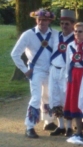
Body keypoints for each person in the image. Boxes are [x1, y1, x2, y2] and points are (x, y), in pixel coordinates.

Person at [11, 9, 57, 138]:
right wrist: (25, 70)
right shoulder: (28, 35)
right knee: (36, 97)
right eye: (39, 19)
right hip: (35, 71)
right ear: (36, 20)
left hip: (51, 71)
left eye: (45, 20)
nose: (42, 22)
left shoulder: (55, 34)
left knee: (49, 96)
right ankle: (29, 127)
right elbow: (15, 54)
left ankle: (48, 121)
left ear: (49, 21)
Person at [48, 9, 75, 137]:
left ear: (73, 25)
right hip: (54, 69)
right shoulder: (56, 36)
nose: (64, 26)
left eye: (67, 24)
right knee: (55, 97)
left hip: (66, 70)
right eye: (62, 23)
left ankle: (69, 126)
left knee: (67, 97)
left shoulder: (76, 38)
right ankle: (61, 125)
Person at [64, 22, 83, 141]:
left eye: (80, 31)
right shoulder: (70, 45)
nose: (77, 34)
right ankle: (78, 131)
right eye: (75, 31)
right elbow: (67, 63)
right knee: (75, 102)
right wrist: (67, 78)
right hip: (74, 76)